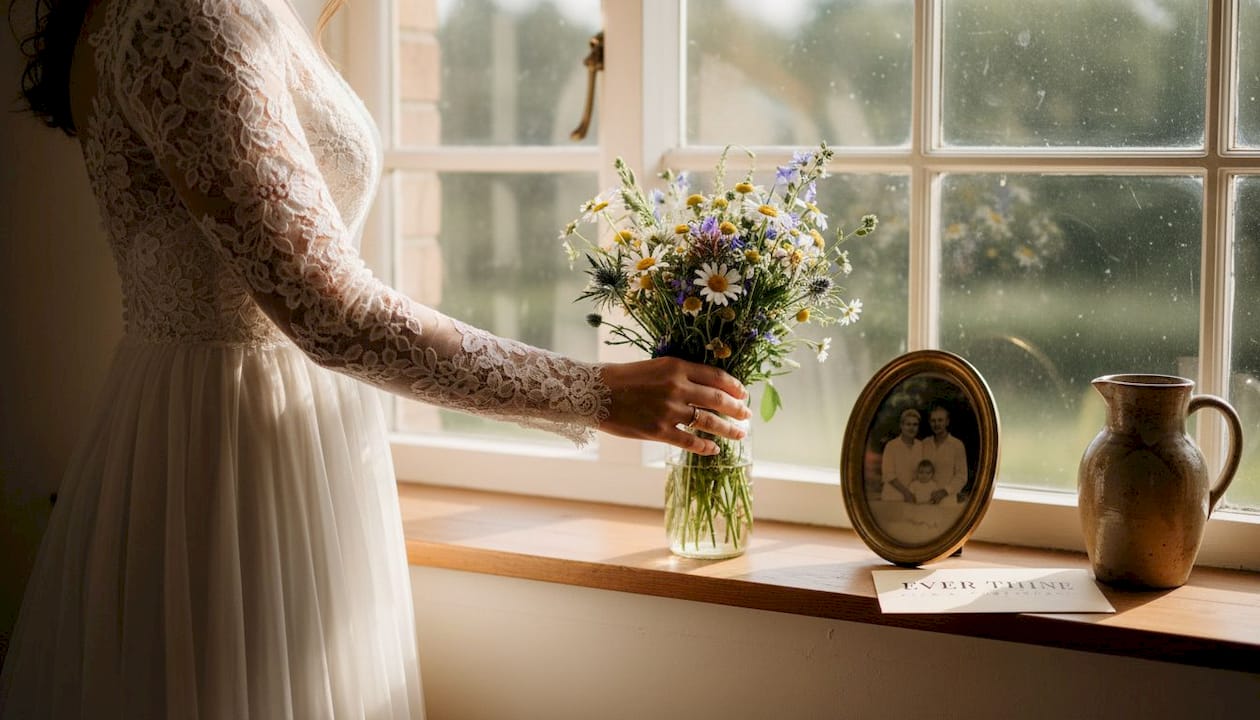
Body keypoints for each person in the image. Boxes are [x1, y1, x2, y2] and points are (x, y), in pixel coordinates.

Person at [0, 0, 751, 717]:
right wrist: (593, 393)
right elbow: (331, 313)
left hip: (284, 434)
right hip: (221, 454)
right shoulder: (181, 15)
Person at [922, 405, 968, 506]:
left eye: (940, 420)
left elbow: (962, 476)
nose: (936, 424)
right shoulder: (924, 444)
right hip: (924, 499)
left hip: (947, 501)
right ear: (929, 423)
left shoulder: (957, 445)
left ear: (947, 422)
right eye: (933, 421)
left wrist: (944, 492)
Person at [879, 408, 922, 503]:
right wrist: (906, 493)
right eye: (908, 424)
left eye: (915, 425)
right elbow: (889, 474)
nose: (912, 428)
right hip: (892, 497)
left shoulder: (920, 446)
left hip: (914, 498)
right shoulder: (891, 446)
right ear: (901, 426)